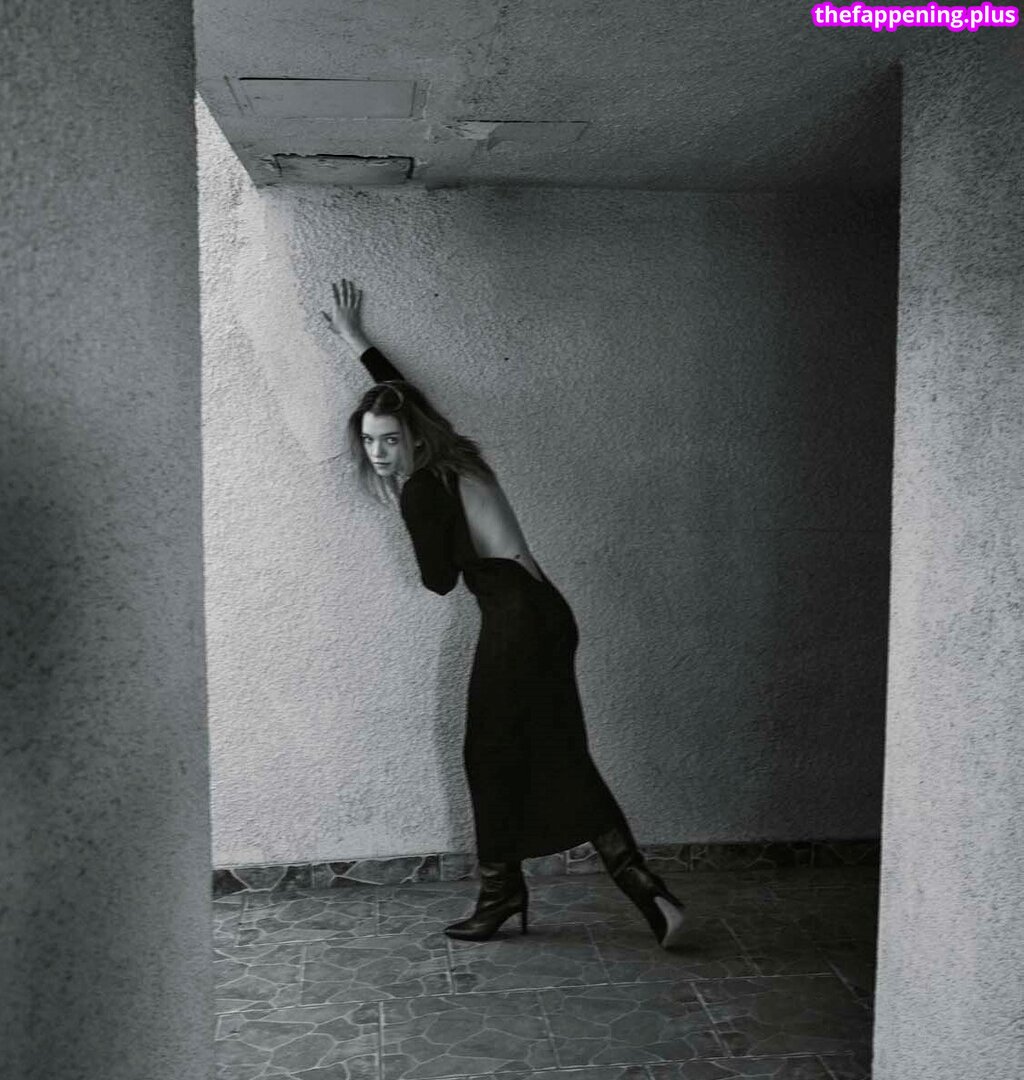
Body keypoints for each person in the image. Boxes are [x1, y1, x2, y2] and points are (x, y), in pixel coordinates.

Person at [323, 279, 687, 949]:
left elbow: (438, 582)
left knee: (487, 753)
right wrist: (357, 342)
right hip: (547, 609)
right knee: (554, 750)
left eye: (389, 441)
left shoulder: (421, 488)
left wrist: (412, 514)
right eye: (370, 441)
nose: (378, 453)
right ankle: (645, 889)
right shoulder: (456, 453)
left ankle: (501, 895)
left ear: (411, 438)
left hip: (516, 618)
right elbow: (407, 395)